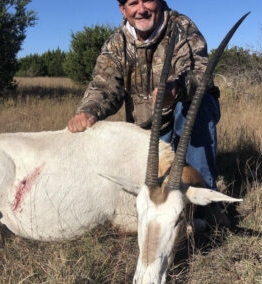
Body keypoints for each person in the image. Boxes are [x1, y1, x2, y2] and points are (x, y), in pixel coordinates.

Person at [67, 0, 227, 225]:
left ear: (160, 2)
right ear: (123, 10)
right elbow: (104, 86)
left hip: (182, 116)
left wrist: (177, 88)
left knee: (198, 104)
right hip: (148, 131)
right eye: (133, 3)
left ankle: (206, 205)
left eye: (147, 0)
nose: (141, 9)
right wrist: (88, 111)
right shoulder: (116, 43)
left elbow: (200, 73)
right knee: (152, 191)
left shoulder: (182, 27)